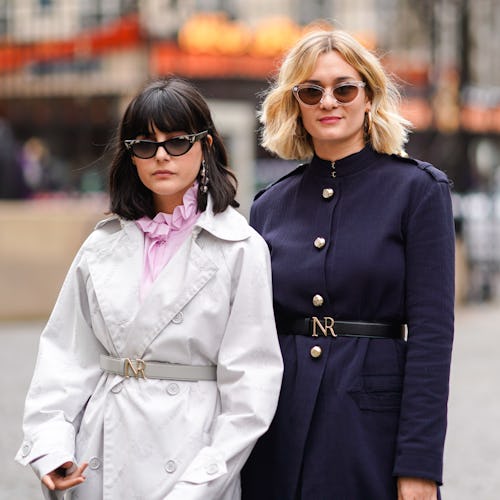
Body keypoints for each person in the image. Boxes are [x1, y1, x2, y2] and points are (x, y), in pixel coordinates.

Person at [15, 77, 283, 500]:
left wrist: (202, 483)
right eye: (144, 144)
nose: (161, 156)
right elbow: (65, 358)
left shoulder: (241, 247)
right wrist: (52, 449)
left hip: (192, 460)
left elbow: (251, 388)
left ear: (206, 146)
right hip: (100, 457)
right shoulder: (100, 244)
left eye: (177, 141)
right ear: (130, 156)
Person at [241, 28, 455, 500]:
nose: (328, 102)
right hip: (280, 427)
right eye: (311, 91)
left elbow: (432, 337)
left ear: (369, 98)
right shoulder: (268, 206)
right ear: (295, 103)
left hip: (370, 429)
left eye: (344, 88)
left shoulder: (418, 191)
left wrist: (419, 465)